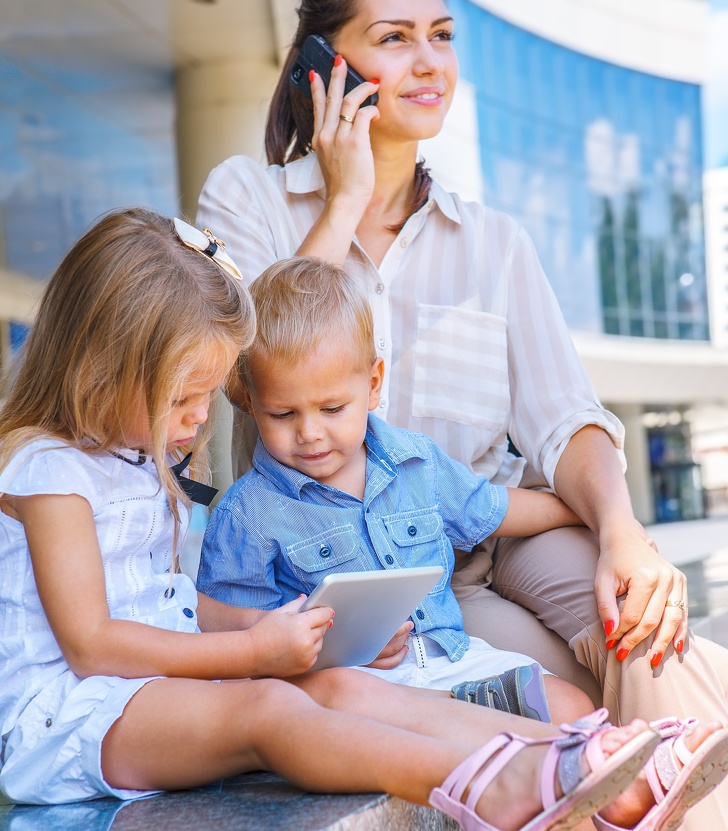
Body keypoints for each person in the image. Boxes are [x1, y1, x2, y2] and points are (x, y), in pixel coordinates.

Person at [195, 4, 728, 825]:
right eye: (394, 37)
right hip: (386, 590)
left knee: (643, 615)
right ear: (322, 64)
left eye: (441, 36)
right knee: (577, 698)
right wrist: (344, 203)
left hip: (494, 529)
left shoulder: (495, 242)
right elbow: (242, 373)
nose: (429, 62)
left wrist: (623, 531)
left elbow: (567, 419)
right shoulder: (246, 197)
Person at [1, 206, 691, 831]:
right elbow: (92, 643)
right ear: (101, 369)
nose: (200, 417)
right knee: (271, 710)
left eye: (207, 395)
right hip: (72, 717)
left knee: (343, 685)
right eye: (183, 399)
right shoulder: (49, 472)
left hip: (147, 689)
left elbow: (174, 605)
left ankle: (579, 759)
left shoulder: (134, 459)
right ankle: (494, 784)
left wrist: (278, 627)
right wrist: (253, 652)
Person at [199, 255, 594, 725]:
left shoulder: (415, 462)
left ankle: (473, 721)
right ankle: (463, 725)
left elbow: (493, 508)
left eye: (332, 409)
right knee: (424, 723)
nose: (309, 433)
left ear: (373, 384)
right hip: (353, 690)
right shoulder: (246, 515)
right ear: (251, 402)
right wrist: (332, 651)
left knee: (573, 707)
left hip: (452, 660)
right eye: (283, 414)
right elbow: (240, 649)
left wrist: (591, 513)